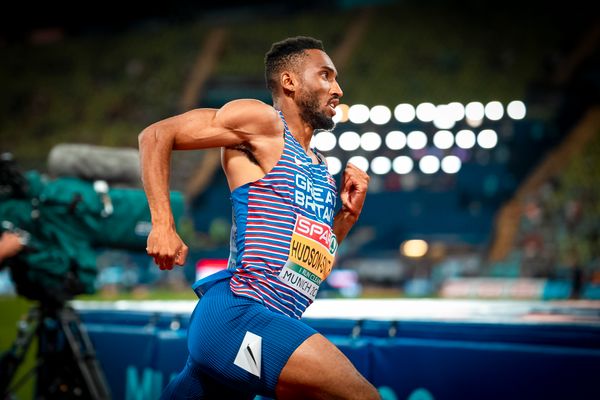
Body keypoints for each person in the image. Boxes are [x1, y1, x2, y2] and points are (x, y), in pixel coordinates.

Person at [139, 36, 379, 400]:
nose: (338, 90)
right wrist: (163, 224)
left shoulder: (322, 170)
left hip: (274, 321)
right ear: (290, 82)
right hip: (239, 314)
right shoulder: (264, 124)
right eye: (326, 76)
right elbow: (156, 134)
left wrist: (346, 217)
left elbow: (312, 265)